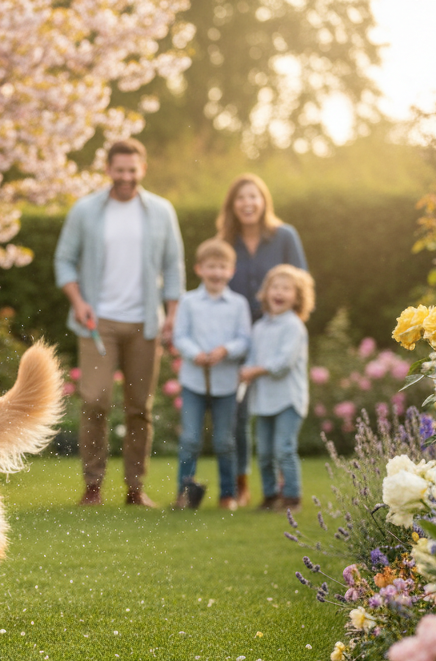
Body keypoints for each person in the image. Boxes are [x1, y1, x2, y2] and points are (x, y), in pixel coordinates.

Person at [54, 138, 185, 507]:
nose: (126, 177)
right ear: (108, 170)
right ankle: (92, 486)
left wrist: (172, 315)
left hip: (144, 323)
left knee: (139, 406)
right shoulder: (86, 210)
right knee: (94, 400)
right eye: (119, 170)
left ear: (142, 170)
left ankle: (134, 489)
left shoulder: (161, 211)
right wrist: (78, 302)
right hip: (99, 323)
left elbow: (174, 266)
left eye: (132, 170)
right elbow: (64, 260)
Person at [216, 174, 307, 507]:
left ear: (263, 201)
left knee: (277, 409)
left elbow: (301, 281)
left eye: (253, 197)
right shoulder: (225, 241)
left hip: (278, 332)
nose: (247, 203)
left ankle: (285, 488)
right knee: (240, 415)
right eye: (240, 198)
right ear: (232, 205)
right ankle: (243, 483)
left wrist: (289, 324)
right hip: (241, 338)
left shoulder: (284, 237)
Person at [171, 239, 251, 510]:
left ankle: (227, 495)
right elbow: (180, 335)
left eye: (222, 267)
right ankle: (184, 494)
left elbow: (244, 340)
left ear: (231, 270)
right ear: (199, 269)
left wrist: (225, 350)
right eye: (211, 267)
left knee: (224, 441)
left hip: (225, 383)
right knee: (190, 439)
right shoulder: (188, 301)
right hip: (194, 381)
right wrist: (195, 353)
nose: (216, 272)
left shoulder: (238, 304)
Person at [239, 264, 315, 512]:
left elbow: (282, 364)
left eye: (287, 288)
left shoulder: (294, 326)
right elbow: (252, 358)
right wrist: (246, 371)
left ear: (297, 297)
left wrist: (255, 370)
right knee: (264, 452)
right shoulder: (260, 327)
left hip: (288, 399)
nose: (279, 292)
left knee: (283, 448)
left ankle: (292, 498)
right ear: (266, 292)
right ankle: (270, 496)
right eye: (275, 287)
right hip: (263, 399)